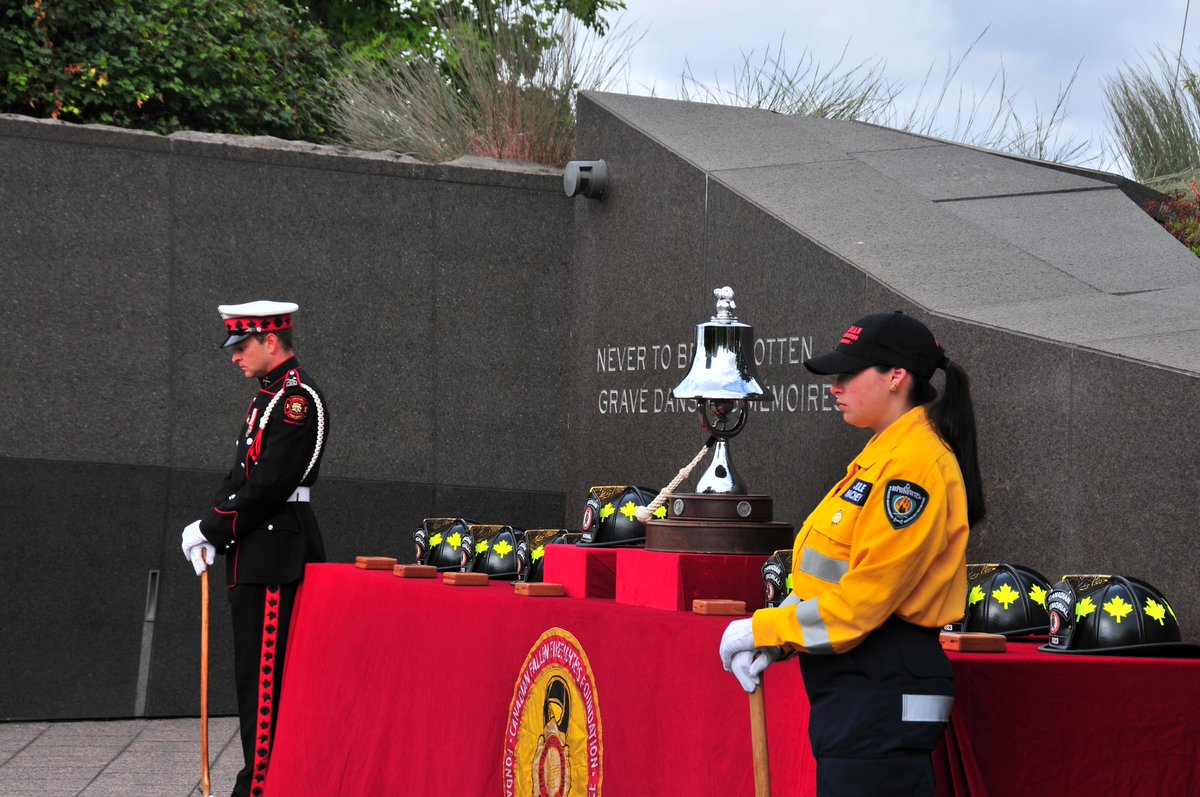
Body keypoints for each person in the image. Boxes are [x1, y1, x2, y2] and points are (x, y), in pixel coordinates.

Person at [718, 310, 985, 797]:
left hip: (882, 686)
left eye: (849, 373)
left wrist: (764, 628)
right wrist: (783, 636)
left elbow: (864, 603)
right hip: (862, 688)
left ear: (896, 377)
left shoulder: (914, 468)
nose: (834, 385)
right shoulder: (884, 457)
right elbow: (835, 582)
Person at [180, 300, 329, 797]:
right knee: (253, 680)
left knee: (267, 685)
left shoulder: (296, 400)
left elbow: (268, 485)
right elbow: (239, 476)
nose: (234, 357)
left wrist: (214, 528)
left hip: (275, 554)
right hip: (254, 552)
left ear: (271, 341)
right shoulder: (264, 398)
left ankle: (260, 788)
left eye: (242, 347)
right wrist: (205, 527)